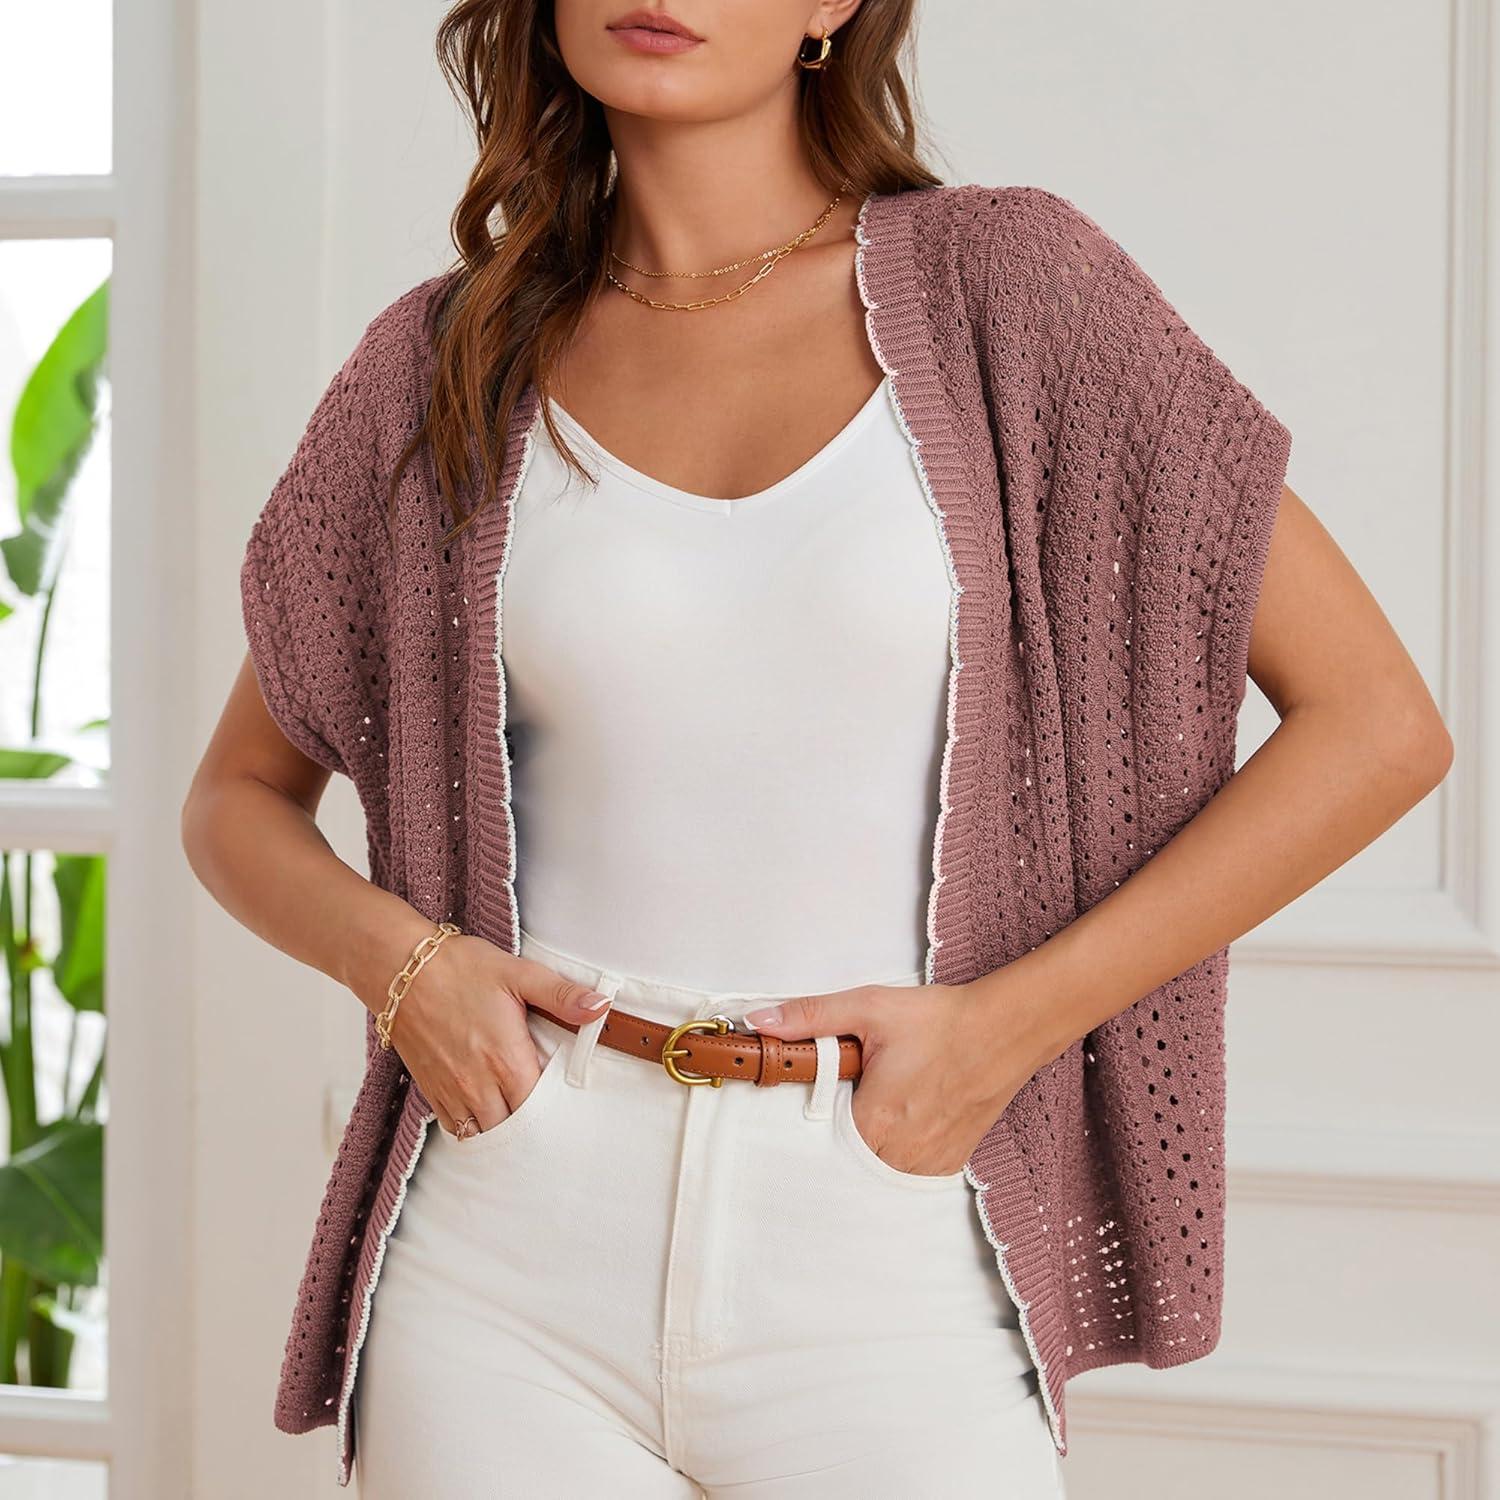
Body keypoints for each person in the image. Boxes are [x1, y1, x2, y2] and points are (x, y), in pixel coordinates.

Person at [180, 2, 1453, 1495]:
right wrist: (410, 972)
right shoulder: (444, 357)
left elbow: (1378, 725)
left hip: (889, 1235)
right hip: (506, 1244)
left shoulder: (1011, 289)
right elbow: (235, 799)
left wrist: (1003, 1033)